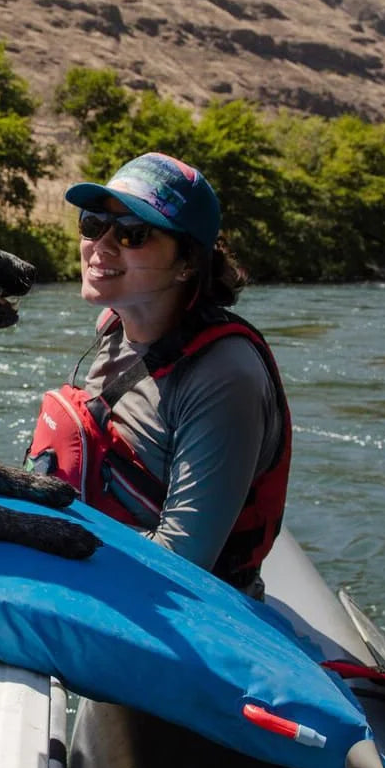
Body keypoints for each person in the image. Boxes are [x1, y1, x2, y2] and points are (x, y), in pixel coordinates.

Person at [25, 151, 290, 595]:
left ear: (187, 262)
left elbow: (182, 563)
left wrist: (42, 540)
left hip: (186, 608)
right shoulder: (114, 322)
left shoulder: (225, 377)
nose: (102, 246)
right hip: (97, 569)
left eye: (133, 234)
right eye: (93, 224)